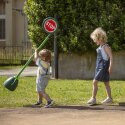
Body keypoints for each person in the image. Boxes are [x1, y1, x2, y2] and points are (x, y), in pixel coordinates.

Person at [87, 27, 113, 105]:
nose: (94, 41)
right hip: (99, 67)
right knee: (106, 83)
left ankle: (93, 98)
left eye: (95, 39)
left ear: (100, 38)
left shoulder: (106, 47)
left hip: (103, 68)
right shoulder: (100, 48)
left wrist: (110, 67)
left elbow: (111, 57)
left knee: (95, 82)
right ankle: (109, 98)